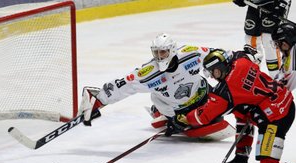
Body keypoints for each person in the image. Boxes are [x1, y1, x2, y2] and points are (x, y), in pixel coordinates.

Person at [78, 33, 231, 138]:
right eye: (156, 53)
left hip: (203, 95)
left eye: (163, 52)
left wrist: (239, 57)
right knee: (185, 120)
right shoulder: (149, 72)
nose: (159, 57)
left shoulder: (191, 54)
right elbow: (124, 84)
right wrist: (98, 101)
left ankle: (164, 114)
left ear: (172, 50)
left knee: (223, 109)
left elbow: (217, 55)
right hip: (177, 110)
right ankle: (164, 115)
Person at [185, 48, 296, 163]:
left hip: (275, 119)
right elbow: (251, 53)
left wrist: (184, 117)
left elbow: (201, 117)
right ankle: (241, 159)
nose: (213, 77)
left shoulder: (225, 94)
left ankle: (242, 158)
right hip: (284, 100)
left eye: (214, 72)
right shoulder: (240, 59)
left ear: (220, 67)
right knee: (241, 111)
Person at [233, 0, 291, 78]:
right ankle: (254, 77)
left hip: (275, 3)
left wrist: (282, 4)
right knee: (250, 39)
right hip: (254, 3)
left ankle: (276, 78)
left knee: (269, 39)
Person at [272, 22, 296, 91]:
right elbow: (281, 74)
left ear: (285, 44)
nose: (277, 47)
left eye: (277, 43)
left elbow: (283, 88)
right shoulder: (289, 53)